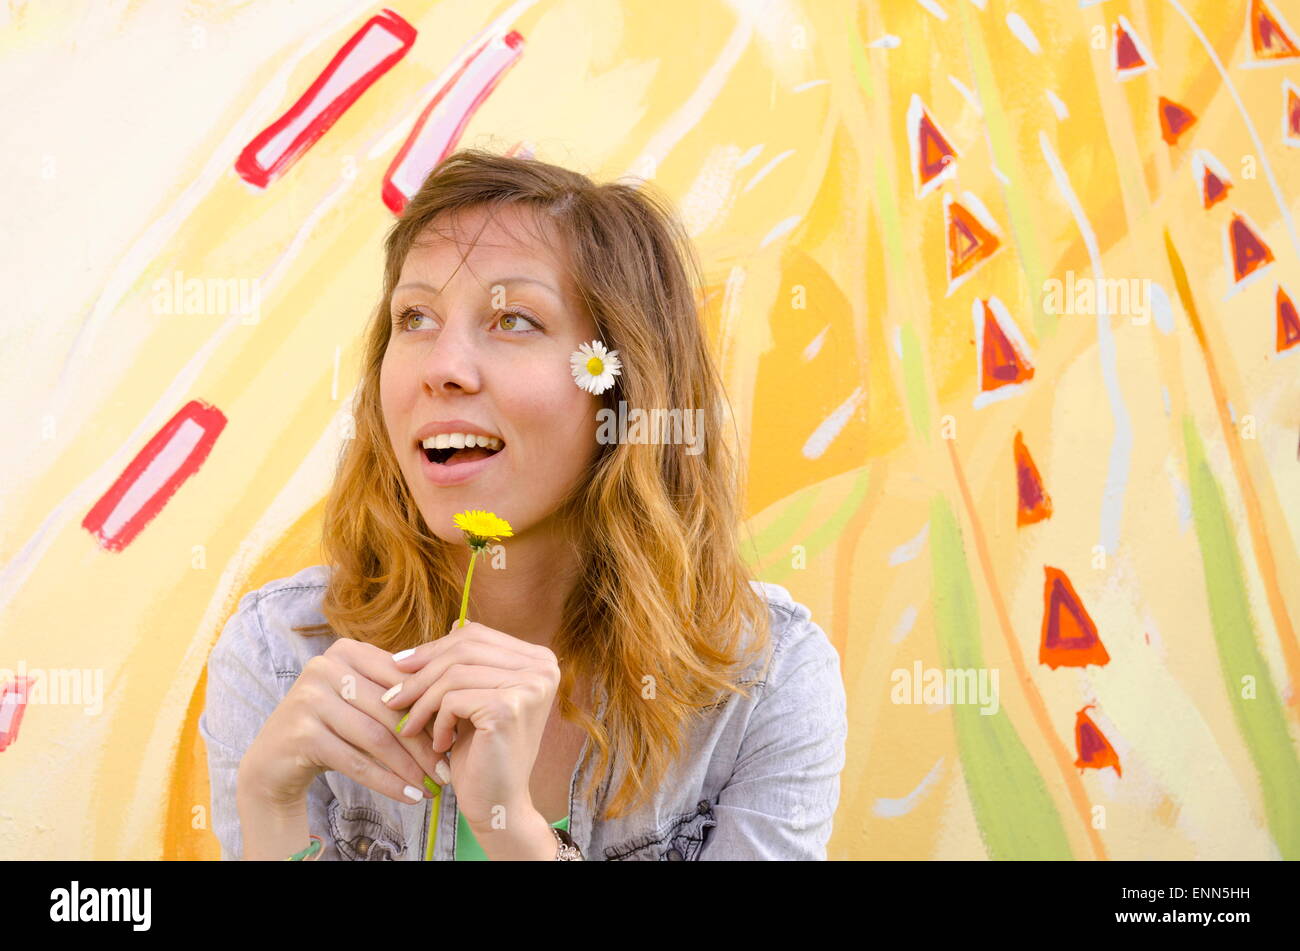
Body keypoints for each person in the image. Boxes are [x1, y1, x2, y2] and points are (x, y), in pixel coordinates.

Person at [199, 148, 847, 860]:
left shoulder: (763, 682)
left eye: (514, 321)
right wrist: (269, 805)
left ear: (623, 385)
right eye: (414, 317)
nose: (442, 367)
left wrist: (509, 827)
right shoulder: (279, 654)